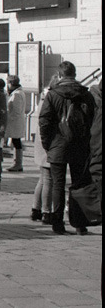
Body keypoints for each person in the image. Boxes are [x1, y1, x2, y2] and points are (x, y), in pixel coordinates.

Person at [38, 61, 95, 235]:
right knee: (79, 183)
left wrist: (47, 143)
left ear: (60, 75)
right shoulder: (85, 94)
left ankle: (57, 224)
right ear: (75, 74)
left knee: (57, 185)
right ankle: (79, 224)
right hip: (80, 145)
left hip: (57, 144)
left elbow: (44, 121)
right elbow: (92, 118)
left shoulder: (53, 94)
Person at [31, 79, 57, 224]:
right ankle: (47, 212)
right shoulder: (50, 100)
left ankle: (36, 209)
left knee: (43, 178)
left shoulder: (43, 98)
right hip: (47, 143)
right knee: (48, 179)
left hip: (41, 142)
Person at [5, 75, 27, 172]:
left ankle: (18, 163)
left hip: (15, 122)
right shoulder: (17, 93)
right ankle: (17, 162)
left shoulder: (17, 94)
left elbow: (16, 110)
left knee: (16, 142)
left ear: (11, 83)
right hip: (15, 122)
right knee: (15, 141)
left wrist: (9, 117)